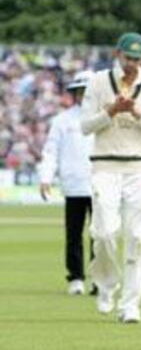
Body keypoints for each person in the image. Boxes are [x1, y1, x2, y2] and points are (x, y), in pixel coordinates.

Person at [80, 32, 141, 324]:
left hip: (139, 167)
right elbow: (84, 126)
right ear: (117, 53)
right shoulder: (97, 81)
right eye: (128, 57)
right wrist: (111, 111)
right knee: (104, 233)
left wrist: (138, 113)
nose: (132, 63)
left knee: (138, 237)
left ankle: (131, 305)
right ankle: (105, 285)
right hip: (105, 166)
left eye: (137, 58)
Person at [39, 70, 95, 295]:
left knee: (101, 235)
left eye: (89, 92)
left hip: (102, 184)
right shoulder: (63, 120)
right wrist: (46, 177)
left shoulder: (106, 118)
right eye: (81, 91)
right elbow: (51, 151)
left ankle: (99, 278)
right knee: (74, 235)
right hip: (73, 185)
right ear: (75, 94)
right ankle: (76, 278)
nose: (85, 96)